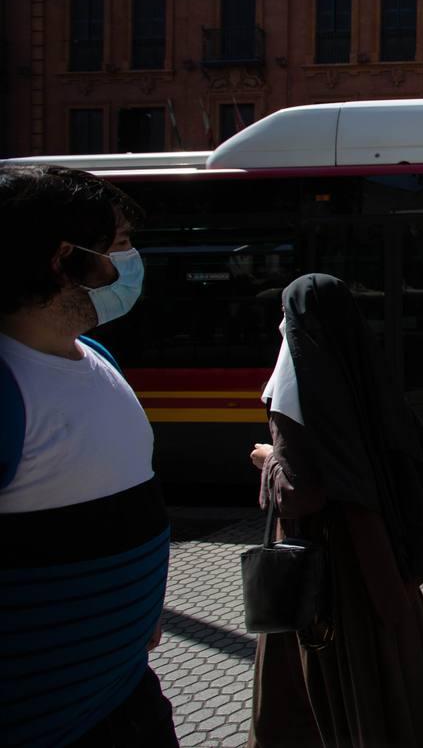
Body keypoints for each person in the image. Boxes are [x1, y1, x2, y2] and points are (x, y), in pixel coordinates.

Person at [247, 274, 423, 747]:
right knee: (401, 663)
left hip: (331, 574)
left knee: (332, 682)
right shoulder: (367, 376)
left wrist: (268, 461)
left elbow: (301, 493)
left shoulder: (296, 391)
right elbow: (414, 462)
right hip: (385, 558)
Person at [0, 164, 179, 747]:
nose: (133, 262)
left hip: (124, 696)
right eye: (121, 245)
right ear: (64, 258)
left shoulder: (95, 354)